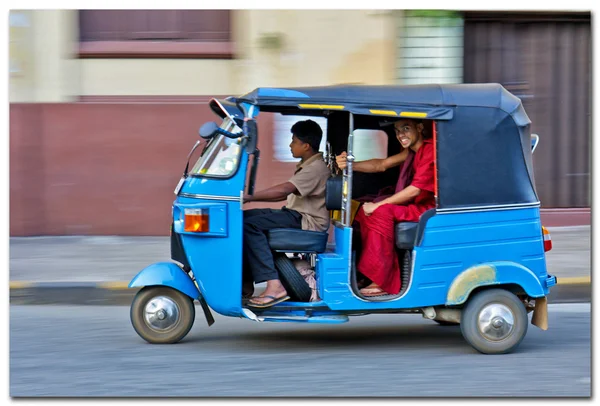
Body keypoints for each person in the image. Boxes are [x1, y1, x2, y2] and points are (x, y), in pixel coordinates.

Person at [336, 118, 435, 297]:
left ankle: (381, 281)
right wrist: (351, 165)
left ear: (420, 128)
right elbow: (380, 165)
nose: (400, 135)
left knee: (381, 211)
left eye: (406, 128)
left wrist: (378, 205)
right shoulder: (410, 152)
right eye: (397, 131)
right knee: (362, 211)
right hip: (413, 205)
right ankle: (366, 272)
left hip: (427, 209)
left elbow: (415, 191)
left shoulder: (429, 150)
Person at [242, 119, 330, 308]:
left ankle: (274, 286)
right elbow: (283, 195)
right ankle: (245, 283)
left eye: (294, 141)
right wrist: (250, 200)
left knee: (250, 226)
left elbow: (284, 190)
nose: (290, 145)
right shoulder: (307, 165)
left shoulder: (315, 169)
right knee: (241, 220)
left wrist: (249, 197)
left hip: (306, 221)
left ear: (306, 146)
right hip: (294, 213)